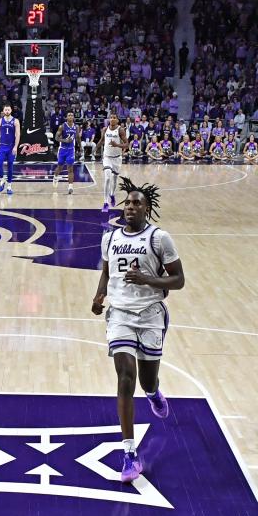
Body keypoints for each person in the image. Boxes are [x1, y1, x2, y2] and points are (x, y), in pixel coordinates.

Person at [91, 178, 185, 482]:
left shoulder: (160, 238)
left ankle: (154, 392)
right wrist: (99, 295)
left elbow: (178, 279)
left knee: (146, 380)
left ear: (147, 209)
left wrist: (148, 280)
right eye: (127, 203)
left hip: (150, 314)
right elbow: (107, 271)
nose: (130, 207)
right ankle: (129, 454)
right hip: (119, 313)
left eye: (137, 203)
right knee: (125, 376)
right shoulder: (110, 237)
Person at [96, 114, 127, 212]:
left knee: (114, 179)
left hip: (117, 158)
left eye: (114, 118)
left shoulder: (120, 130)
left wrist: (117, 145)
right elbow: (101, 140)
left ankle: (112, 195)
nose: (112, 119)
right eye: (111, 117)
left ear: (117, 120)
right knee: (107, 177)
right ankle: (105, 203)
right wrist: (96, 148)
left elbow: (127, 144)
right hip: (107, 157)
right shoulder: (105, 129)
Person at [0, 105, 19, 194]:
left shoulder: (15, 121)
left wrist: (15, 147)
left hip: (11, 147)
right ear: (3, 111)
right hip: (2, 146)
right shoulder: (0, 121)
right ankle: (2, 180)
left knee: (10, 166)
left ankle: (9, 186)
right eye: (5, 110)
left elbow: (18, 135)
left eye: (8, 109)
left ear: (11, 110)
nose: (7, 111)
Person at [52, 112, 80, 194]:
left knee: (70, 169)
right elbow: (56, 138)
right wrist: (65, 140)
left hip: (71, 150)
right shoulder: (62, 126)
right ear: (66, 117)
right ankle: (55, 177)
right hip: (62, 150)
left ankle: (70, 187)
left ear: (73, 117)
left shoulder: (76, 127)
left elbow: (78, 137)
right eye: (69, 115)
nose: (70, 116)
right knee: (60, 167)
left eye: (72, 115)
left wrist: (80, 147)